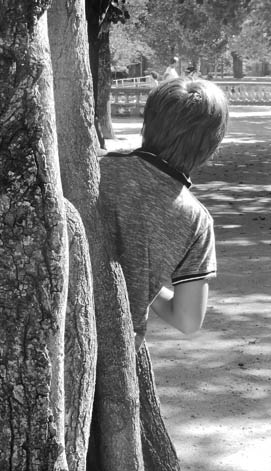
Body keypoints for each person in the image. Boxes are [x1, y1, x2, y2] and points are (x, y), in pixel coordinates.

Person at [98, 78, 227, 349]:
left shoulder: (94, 169)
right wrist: (146, 280)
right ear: (211, 146)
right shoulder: (195, 220)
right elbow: (188, 320)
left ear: (148, 123)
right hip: (116, 353)